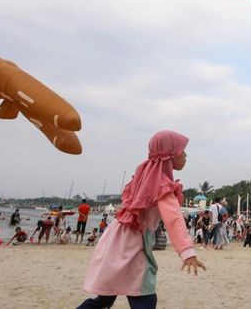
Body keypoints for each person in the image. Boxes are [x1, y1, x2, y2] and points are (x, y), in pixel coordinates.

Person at [79, 131, 205, 309]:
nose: (185, 155)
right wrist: (187, 252)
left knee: (105, 296)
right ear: (170, 155)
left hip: (115, 238)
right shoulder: (162, 185)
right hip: (133, 241)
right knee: (144, 293)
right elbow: (174, 219)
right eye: (182, 151)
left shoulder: (144, 175)